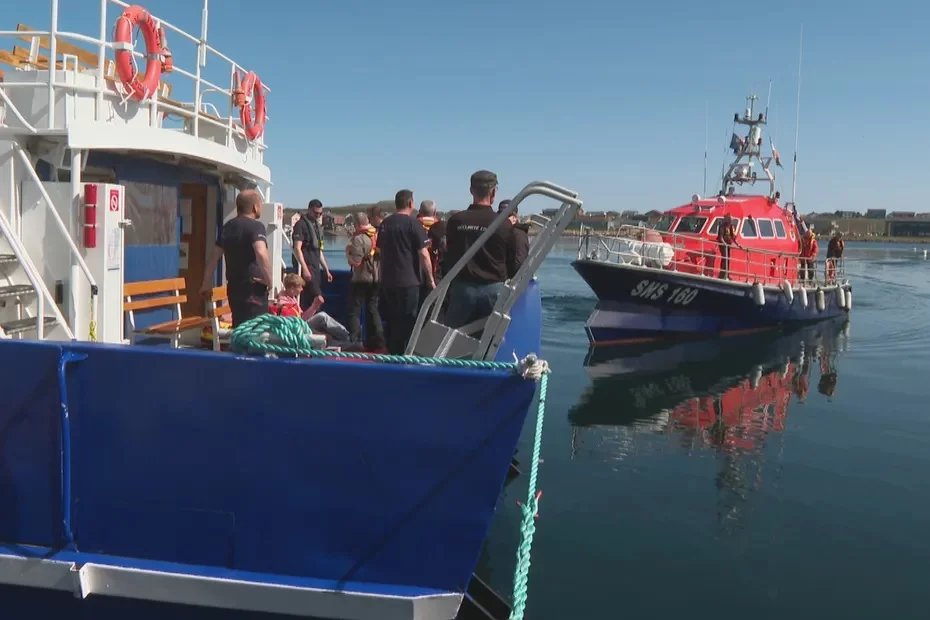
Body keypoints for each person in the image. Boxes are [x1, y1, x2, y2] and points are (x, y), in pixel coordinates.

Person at [442, 170, 515, 329]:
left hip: (462, 289)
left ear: (471, 190)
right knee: (490, 340)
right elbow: (512, 260)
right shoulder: (504, 224)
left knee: (451, 340)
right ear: (494, 192)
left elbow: (448, 254)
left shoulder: (456, 221)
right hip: (493, 290)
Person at [200, 189, 272, 327]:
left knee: (239, 327)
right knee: (256, 331)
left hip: (234, 289)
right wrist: (269, 280)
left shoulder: (228, 227)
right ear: (255, 207)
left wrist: (206, 282)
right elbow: (261, 252)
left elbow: (214, 257)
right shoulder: (256, 227)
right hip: (254, 288)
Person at [377, 189, 436, 354]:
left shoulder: (385, 224)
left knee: (392, 320)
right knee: (408, 322)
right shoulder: (413, 224)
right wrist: (430, 279)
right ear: (410, 203)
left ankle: (392, 353)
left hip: (388, 281)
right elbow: (424, 254)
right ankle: (406, 356)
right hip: (409, 282)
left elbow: (380, 252)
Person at [271, 273, 350, 343]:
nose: (302, 289)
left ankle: (344, 336)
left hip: (301, 324)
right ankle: (346, 337)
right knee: (322, 316)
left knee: (322, 317)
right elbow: (300, 321)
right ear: (292, 289)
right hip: (298, 328)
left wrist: (314, 306)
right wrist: (314, 306)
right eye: (300, 287)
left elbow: (302, 316)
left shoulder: (292, 298)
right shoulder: (284, 304)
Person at [345, 212, 385, 350]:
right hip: (377, 278)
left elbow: (356, 263)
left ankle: (355, 341)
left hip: (361, 278)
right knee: (372, 309)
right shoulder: (377, 235)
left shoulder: (359, 239)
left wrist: (348, 254)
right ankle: (378, 341)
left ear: (356, 224)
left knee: (354, 310)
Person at [292, 199, 333, 316]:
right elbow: (297, 248)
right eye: (316, 213)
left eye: (320, 213)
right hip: (307, 267)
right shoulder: (300, 225)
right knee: (316, 298)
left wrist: (326, 269)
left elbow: (318, 250)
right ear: (309, 210)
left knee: (314, 300)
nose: (318, 215)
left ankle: (313, 324)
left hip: (315, 268)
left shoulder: (316, 227)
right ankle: (310, 325)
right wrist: (304, 269)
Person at [417, 199, 446, 307]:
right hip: (436, 272)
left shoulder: (413, 225)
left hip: (415, 274)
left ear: (419, 211)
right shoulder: (443, 227)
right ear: (435, 212)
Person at [499, 199, 529, 277]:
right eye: (500, 215)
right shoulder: (501, 232)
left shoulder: (519, 235)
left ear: (514, 217)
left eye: (507, 215)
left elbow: (518, 264)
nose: (502, 218)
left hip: (507, 279)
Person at [716, 214, 740, 280]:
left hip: (728, 244)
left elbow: (733, 237)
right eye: (729, 219)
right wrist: (724, 244)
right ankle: (722, 274)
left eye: (731, 220)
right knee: (724, 258)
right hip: (723, 244)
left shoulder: (731, 226)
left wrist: (738, 244)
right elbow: (720, 237)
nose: (730, 221)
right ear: (727, 219)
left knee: (728, 258)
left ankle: (727, 274)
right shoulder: (722, 226)